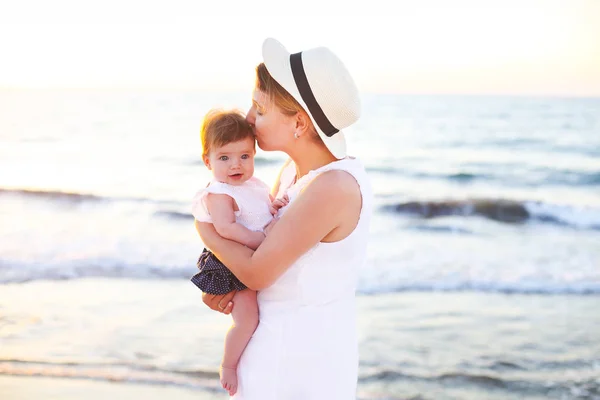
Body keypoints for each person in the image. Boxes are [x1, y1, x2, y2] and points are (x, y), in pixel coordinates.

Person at [195, 38, 373, 399]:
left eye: (259, 108)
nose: (248, 118)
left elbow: (259, 270)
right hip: (269, 344)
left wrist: (206, 230)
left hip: (299, 360)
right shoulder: (293, 173)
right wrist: (226, 287)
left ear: (300, 123)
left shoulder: (333, 187)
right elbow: (261, 268)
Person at [190, 109, 288, 396]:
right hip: (229, 264)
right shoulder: (219, 193)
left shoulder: (252, 185)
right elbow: (227, 228)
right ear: (208, 161)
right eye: (225, 158)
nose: (236, 165)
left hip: (246, 257)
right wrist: (261, 241)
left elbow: (262, 208)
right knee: (247, 320)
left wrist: (277, 204)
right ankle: (229, 365)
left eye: (245, 156)